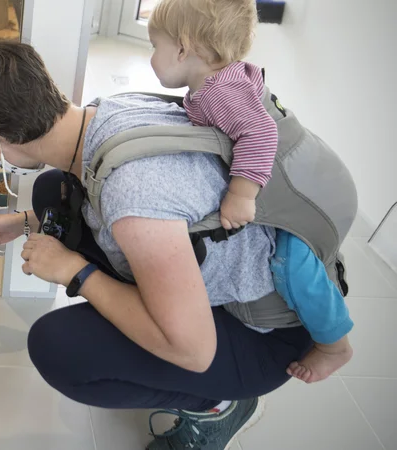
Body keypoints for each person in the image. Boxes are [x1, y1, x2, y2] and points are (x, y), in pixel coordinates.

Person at [0, 40, 313, 450]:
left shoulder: (132, 196)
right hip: (249, 262)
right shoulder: (110, 110)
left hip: (263, 336)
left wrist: (74, 272)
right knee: (52, 192)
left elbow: (193, 350)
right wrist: (23, 223)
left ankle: (219, 406)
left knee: (58, 349)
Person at [147, 0, 352, 383]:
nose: (151, 58)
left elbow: (260, 133)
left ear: (182, 48)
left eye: (154, 46)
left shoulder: (221, 92)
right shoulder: (214, 84)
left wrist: (241, 194)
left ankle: (334, 343)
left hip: (306, 198)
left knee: (293, 266)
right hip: (311, 179)